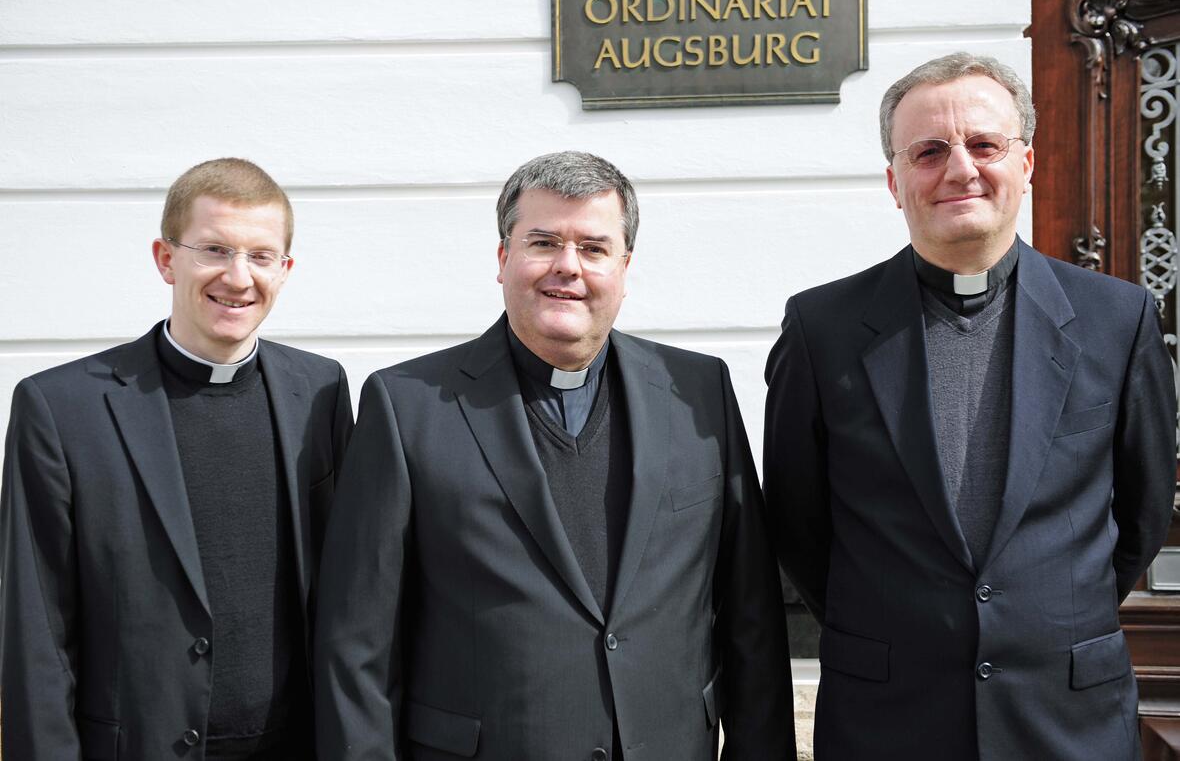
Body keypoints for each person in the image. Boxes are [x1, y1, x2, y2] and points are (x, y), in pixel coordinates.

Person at [764, 51, 1178, 760]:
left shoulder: (1118, 318)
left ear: (1027, 164)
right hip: (888, 717)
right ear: (896, 182)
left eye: (985, 144)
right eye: (929, 152)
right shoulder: (821, 329)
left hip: (1066, 716)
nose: (960, 169)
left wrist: (1048, 616)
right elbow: (799, 522)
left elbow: (1141, 511)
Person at [315, 150, 795, 760]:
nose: (567, 267)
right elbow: (358, 644)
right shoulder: (406, 406)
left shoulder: (699, 391)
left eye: (593, 248)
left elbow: (749, 610)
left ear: (624, 267)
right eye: (542, 242)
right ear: (503, 258)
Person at [0, 157, 354, 759]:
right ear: (166, 259)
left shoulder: (319, 392)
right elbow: (38, 631)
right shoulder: (59, 408)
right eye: (214, 250)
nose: (239, 278)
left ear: (285, 269)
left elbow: (350, 592)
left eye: (261, 256)